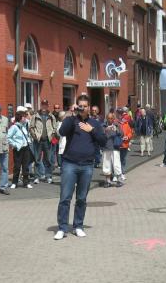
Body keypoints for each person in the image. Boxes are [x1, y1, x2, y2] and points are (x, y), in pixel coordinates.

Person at [55, 94, 106, 240]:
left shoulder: (94, 123)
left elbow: (103, 141)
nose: (82, 108)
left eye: (85, 106)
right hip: (69, 164)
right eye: (80, 106)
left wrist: (92, 130)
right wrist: (71, 115)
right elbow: (62, 132)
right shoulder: (71, 120)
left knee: (81, 198)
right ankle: (62, 228)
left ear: (89, 107)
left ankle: (78, 226)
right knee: (65, 197)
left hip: (87, 165)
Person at [30, 99, 57, 184]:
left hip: (47, 140)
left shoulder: (51, 116)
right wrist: (34, 136)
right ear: (41, 105)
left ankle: (48, 176)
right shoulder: (35, 115)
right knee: (37, 159)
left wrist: (52, 135)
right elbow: (31, 127)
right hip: (38, 140)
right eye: (43, 104)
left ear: (48, 105)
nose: (44, 106)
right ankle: (37, 177)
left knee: (48, 159)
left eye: (45, 105)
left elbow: (55, 127)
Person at [7, 109, 33, 189]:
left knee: (26, 166)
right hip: (18, 149)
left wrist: (29, 141)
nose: (25, 118)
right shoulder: (14, 127)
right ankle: (14, 182)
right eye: (24, 117)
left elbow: (26, 136)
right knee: (17, 166)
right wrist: (14, 145)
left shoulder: (24, 126)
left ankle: (26, 182)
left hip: (26, 148)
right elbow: (8, 137)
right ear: (20, 118)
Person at [101, 112, 123, 187]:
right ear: (106, 118)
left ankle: (119, 180)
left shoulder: (117, 125)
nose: (110, 120)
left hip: (115, 147)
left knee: (116, 164)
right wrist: (105, 130)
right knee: (106, 164)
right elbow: (100, 135)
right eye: (108, 118)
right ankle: (108, 181)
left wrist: (116, 130)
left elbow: (122, 133)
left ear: (113, 119)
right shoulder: (103, 126)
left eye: (111, 118)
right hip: (106, 147)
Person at [118, 108, 132, 178]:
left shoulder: (126, 123)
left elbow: (130, 133)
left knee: (123, 159)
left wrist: (127, 137)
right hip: (117, 145)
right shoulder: (116, 123)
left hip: (125, 144)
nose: (120, 115)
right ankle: (117, 174)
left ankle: (122, 173)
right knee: (117, 160)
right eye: (119, 114)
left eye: (121, 114)